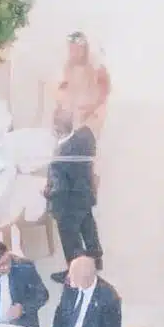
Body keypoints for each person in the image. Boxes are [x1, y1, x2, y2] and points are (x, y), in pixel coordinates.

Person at [45, 108, 101, 273]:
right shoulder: (86, 135)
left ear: (57, 130)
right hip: (85, 195)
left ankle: (75, 270)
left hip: (68, 206)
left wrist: (48, 193)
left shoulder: (58, 161)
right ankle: (96, 259)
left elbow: (60, 190)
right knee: (88, 228)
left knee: (71, 241)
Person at [0, 238, 50, 327]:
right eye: (0, 265)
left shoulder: (24, 267)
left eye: (7, 260)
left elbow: (42, 294)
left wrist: (23, 308)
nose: (6, 266)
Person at [50, 256, 123, 327]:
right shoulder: (70, 287)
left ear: (85, 279)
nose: (68, 277)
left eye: (73, 276)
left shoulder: (109, 298)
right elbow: (59, 318)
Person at [55, 31, 111, 135]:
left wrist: (92, 109)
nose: (73, 52)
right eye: (71, 49)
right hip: (75, 115)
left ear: (84, 48)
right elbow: (67, 89)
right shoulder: (69, 65)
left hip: (91, 116)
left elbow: (105, 90)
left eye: (76, 49)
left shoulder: (95, 65)